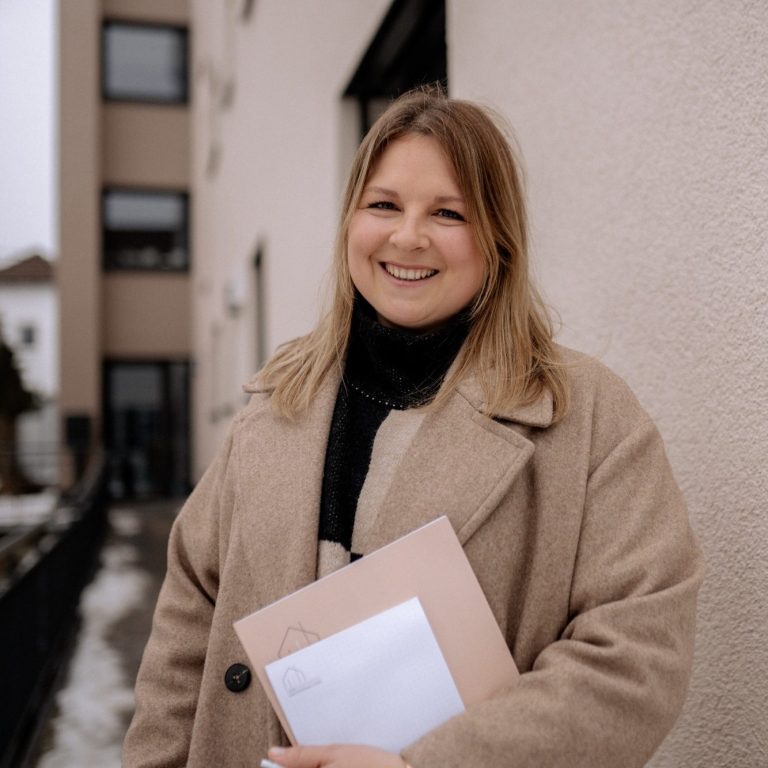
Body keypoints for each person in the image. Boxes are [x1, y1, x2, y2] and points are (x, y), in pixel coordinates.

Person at [123, 87, 703, 768]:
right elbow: (189, 612)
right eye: (384, 205)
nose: (407, 237)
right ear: (350, 223)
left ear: (498, 239)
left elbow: (636, 658)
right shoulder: (276, 402)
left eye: (448, 213)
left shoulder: (588, 417)